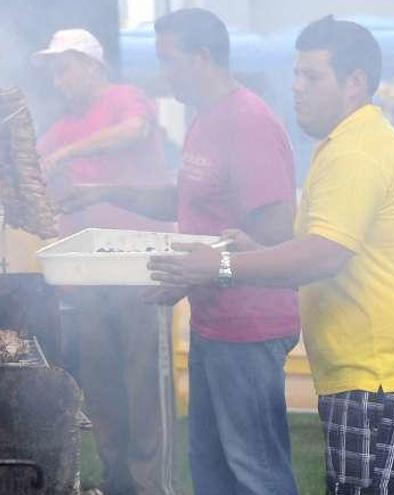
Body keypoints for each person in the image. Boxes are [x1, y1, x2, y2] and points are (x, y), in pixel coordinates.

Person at [149, 16, 394, 495]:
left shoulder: (357, 153)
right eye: (296, 74)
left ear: (355, 82)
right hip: (363, 372)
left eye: (311, 76)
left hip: (380, 376)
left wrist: (223, 266)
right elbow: (322, 253)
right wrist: (260, 251)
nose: (296, 88)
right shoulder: (345, 145)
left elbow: (323, 256)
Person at [62, 10, 301, 494]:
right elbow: (182, 198)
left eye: (168, 61)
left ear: (203, 57)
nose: (162, 73)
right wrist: (104, 192)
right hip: (213, 321)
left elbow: (276, 229)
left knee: (255, 471)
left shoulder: (248, 120)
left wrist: (203, 269)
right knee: (210, 467)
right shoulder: (205, 119)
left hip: (250, 329)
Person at [33, 28, 176, 495]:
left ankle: (150, 485)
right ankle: (117, 482)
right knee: (101, 387)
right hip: (87, 275)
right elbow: (34, 167)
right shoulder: (59, 128)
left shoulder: (124, 99)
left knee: (142, 385)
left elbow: (133, 130)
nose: (57, 80)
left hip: (139, 270)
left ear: (93, 67)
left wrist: (68, 153)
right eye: (53, 71)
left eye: (64, 68)